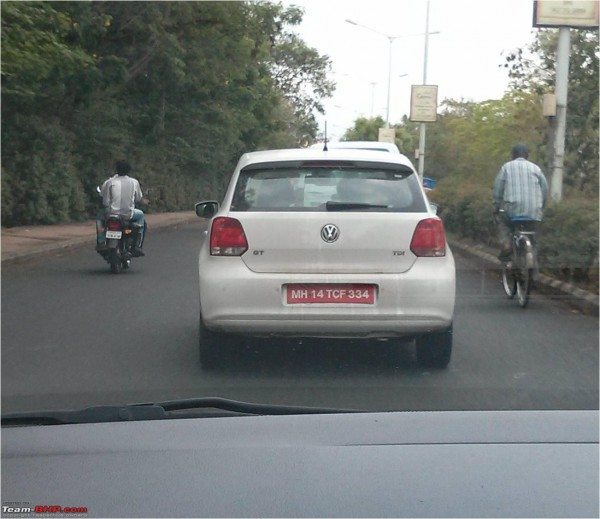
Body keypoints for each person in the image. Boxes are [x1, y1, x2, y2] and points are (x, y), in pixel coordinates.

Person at [492, 144, 548, 262]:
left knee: (503, 222)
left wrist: (496, 206)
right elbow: (545, 188)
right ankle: (534, 257)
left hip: (512, 210)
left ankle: (506, 244)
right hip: (534, 211)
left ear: (512, 155)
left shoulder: (506, 167)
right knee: (534, 237)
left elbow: (498, 189)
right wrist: (541, 206)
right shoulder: (536, 168)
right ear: (527, 155)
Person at [96, 160, 147, 257]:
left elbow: (105, 202)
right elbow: (138, 198)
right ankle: (137, 245)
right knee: (141, 216)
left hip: (111, 214)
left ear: (116, 169)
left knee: (99, 217)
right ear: (129, 170)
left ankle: (101, 241)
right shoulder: (134, 182)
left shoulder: (109, 182)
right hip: (128, 214)